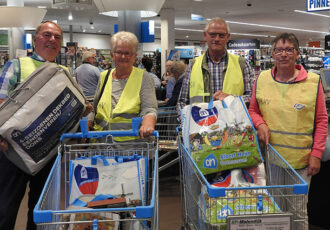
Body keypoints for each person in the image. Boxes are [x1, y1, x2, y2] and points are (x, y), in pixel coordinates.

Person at [0, 21, 91, 230]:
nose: (52, 40)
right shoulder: (16, 65)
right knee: (5, 208)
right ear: (35, 39)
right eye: (47, 35)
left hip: (47, 155)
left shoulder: (65, 72)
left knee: (41, 211)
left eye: (57, 37)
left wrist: (82, 110)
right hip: (12, 153)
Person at [248, 33, 328, 228]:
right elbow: (253, 110)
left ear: (298, 54)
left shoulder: (312, 81)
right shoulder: (262, 78)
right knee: (275, 208)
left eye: (289, 49)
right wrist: (260, 124)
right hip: (272, 159)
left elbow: (321, 120)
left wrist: (316, 154)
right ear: (273, 54)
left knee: (298, 211)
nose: (283, 54)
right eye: (279, 50)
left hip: (300, 162)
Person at [90, 31, 157, 140]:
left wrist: (148, 123)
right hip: (100, 144)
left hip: (131, 147)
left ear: (134, 56)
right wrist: (88, 121)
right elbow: (95, 108)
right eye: (119, 52)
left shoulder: (144, 77)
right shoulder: (104, 76)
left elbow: (149, 108)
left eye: (127, 53)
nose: (123, 56)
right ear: (112, 54)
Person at [177, 17, 255, 111]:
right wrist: (185, 121)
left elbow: (252, 97)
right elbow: (182, 102)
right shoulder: (193, 65)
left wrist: (231, 98)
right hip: (201, 123)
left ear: (227, 37)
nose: (217, 39)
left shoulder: (242, 64)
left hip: (232, 123)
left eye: (221, 35)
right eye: (213, 35)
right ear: (205, 35)